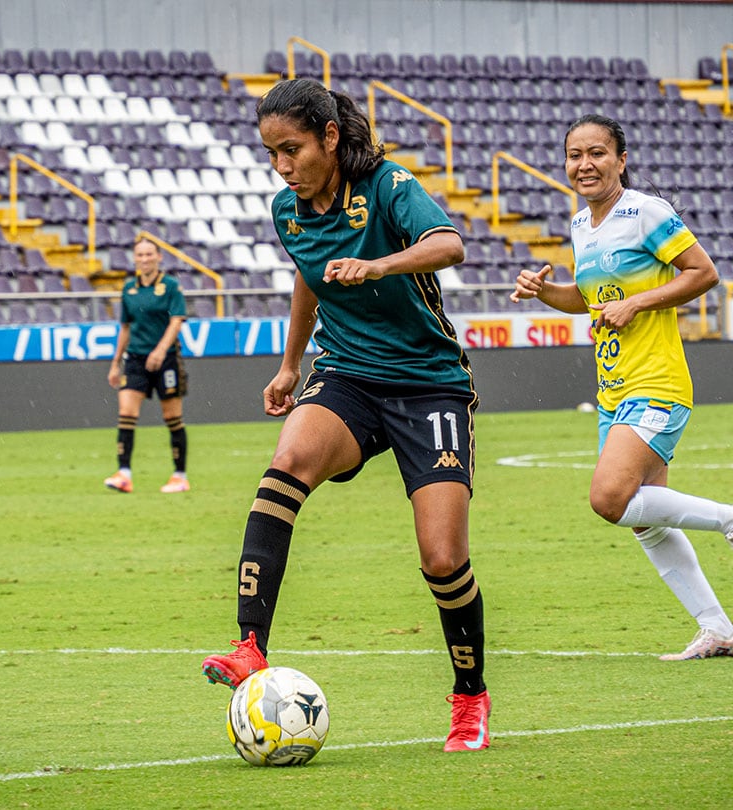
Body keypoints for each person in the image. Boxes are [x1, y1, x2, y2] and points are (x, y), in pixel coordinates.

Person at [200, 78, 492, 752]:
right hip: (348, 375)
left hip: (428, 385)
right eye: (271, 153)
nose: (282, 166)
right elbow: (306, 276)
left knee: (443, 556)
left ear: (330, 137)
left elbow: (450, 245)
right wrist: (289, 364)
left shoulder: (389, 187)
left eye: (292, 149)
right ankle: (250, 646)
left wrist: (377, 265)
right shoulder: (288, 210)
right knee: (287, 463)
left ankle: (469, 698)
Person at [510, 113, 733, 661]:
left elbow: (703, 273)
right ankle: (719, 630)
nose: (585, 164)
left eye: (597, 153)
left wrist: (637, 302)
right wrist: (545, 291)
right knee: (646, 520)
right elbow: (591, 300)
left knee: (609, 500)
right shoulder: (583, 225)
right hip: (614, 388)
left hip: (656, 381)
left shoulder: (646, 212)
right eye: (575, 155)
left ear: (621, 160)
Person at [104, 237, 190, 494]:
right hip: (136, 359)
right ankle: (124, 474)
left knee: (172, 417)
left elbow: (176, 321)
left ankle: (179, 476)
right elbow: (125, 327)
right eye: (140, 255)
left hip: (166, 360)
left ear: (159, 257)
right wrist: (115, 363)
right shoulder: (129, 288)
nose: (144, 259)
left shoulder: (171, 286)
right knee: (126, 413)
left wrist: (160, 350)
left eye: (149, 254)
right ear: (135, 259)